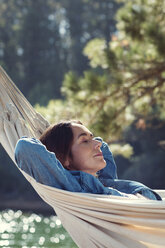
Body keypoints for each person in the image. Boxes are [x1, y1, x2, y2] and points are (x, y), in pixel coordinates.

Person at [14, 120, 161, 200]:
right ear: (64, 158)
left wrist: (88, 140)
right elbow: (25, 147)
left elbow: (103, 146)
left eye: (92, 137)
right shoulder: (71, 186)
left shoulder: (104, 181)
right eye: (84, 141)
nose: (98, 143)